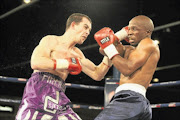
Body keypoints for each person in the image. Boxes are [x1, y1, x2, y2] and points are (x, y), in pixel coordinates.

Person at [16, 13, 112, 120]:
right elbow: (36, 62)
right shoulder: (51, 40)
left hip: (58, 97)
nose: (87, 32)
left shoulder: (77, 54)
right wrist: (66, 63)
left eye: (89, 30)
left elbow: (97, 74)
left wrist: (110, 50)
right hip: (38, 92)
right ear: (73, 25)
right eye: (85, 27)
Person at [94, 15, 160, 120]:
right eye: (128, 29)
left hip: (130, 99)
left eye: (134, 29)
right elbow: (103, 49)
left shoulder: (148, 43)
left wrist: (108, 47)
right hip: (134, 102)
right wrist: (120, 34)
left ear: (147, 32)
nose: (130, 32)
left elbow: (127, 69)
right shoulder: (129, 50)